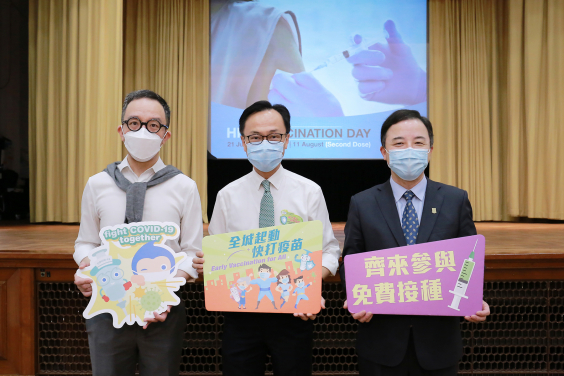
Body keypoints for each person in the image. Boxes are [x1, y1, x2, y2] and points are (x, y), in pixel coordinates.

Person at [193, 100, 342, 376]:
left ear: (286, 140)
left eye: (274, 136)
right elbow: (216, 253)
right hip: (240, 317)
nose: (265, 143)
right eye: (255, 137)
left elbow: (329, 251)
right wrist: (208, 263)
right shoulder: (227, 196)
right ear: (243, 141)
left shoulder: (309, 192)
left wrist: (310, 284)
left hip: (294, 312)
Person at [340, 109, 490, 376]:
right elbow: (351, 259)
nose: (409, 149)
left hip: (438, 345)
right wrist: (354, 298)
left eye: (418, 142)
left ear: (430, 150)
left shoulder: (455, 200)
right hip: (381, 343)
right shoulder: (362, 203)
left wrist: (473, 297)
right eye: (398, 143)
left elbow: (470, 259)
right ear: (384, 152)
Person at [73, 89, 203, 376]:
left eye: (153, 125)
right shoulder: (98, 184)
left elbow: (192, 252)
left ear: (165, 135)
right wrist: (87, 268)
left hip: (163, 312)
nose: (143, 131)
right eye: (134, 123)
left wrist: (164, 295)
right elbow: (85, 243)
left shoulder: (184, 187)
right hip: (108, 306)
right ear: (121, 130)